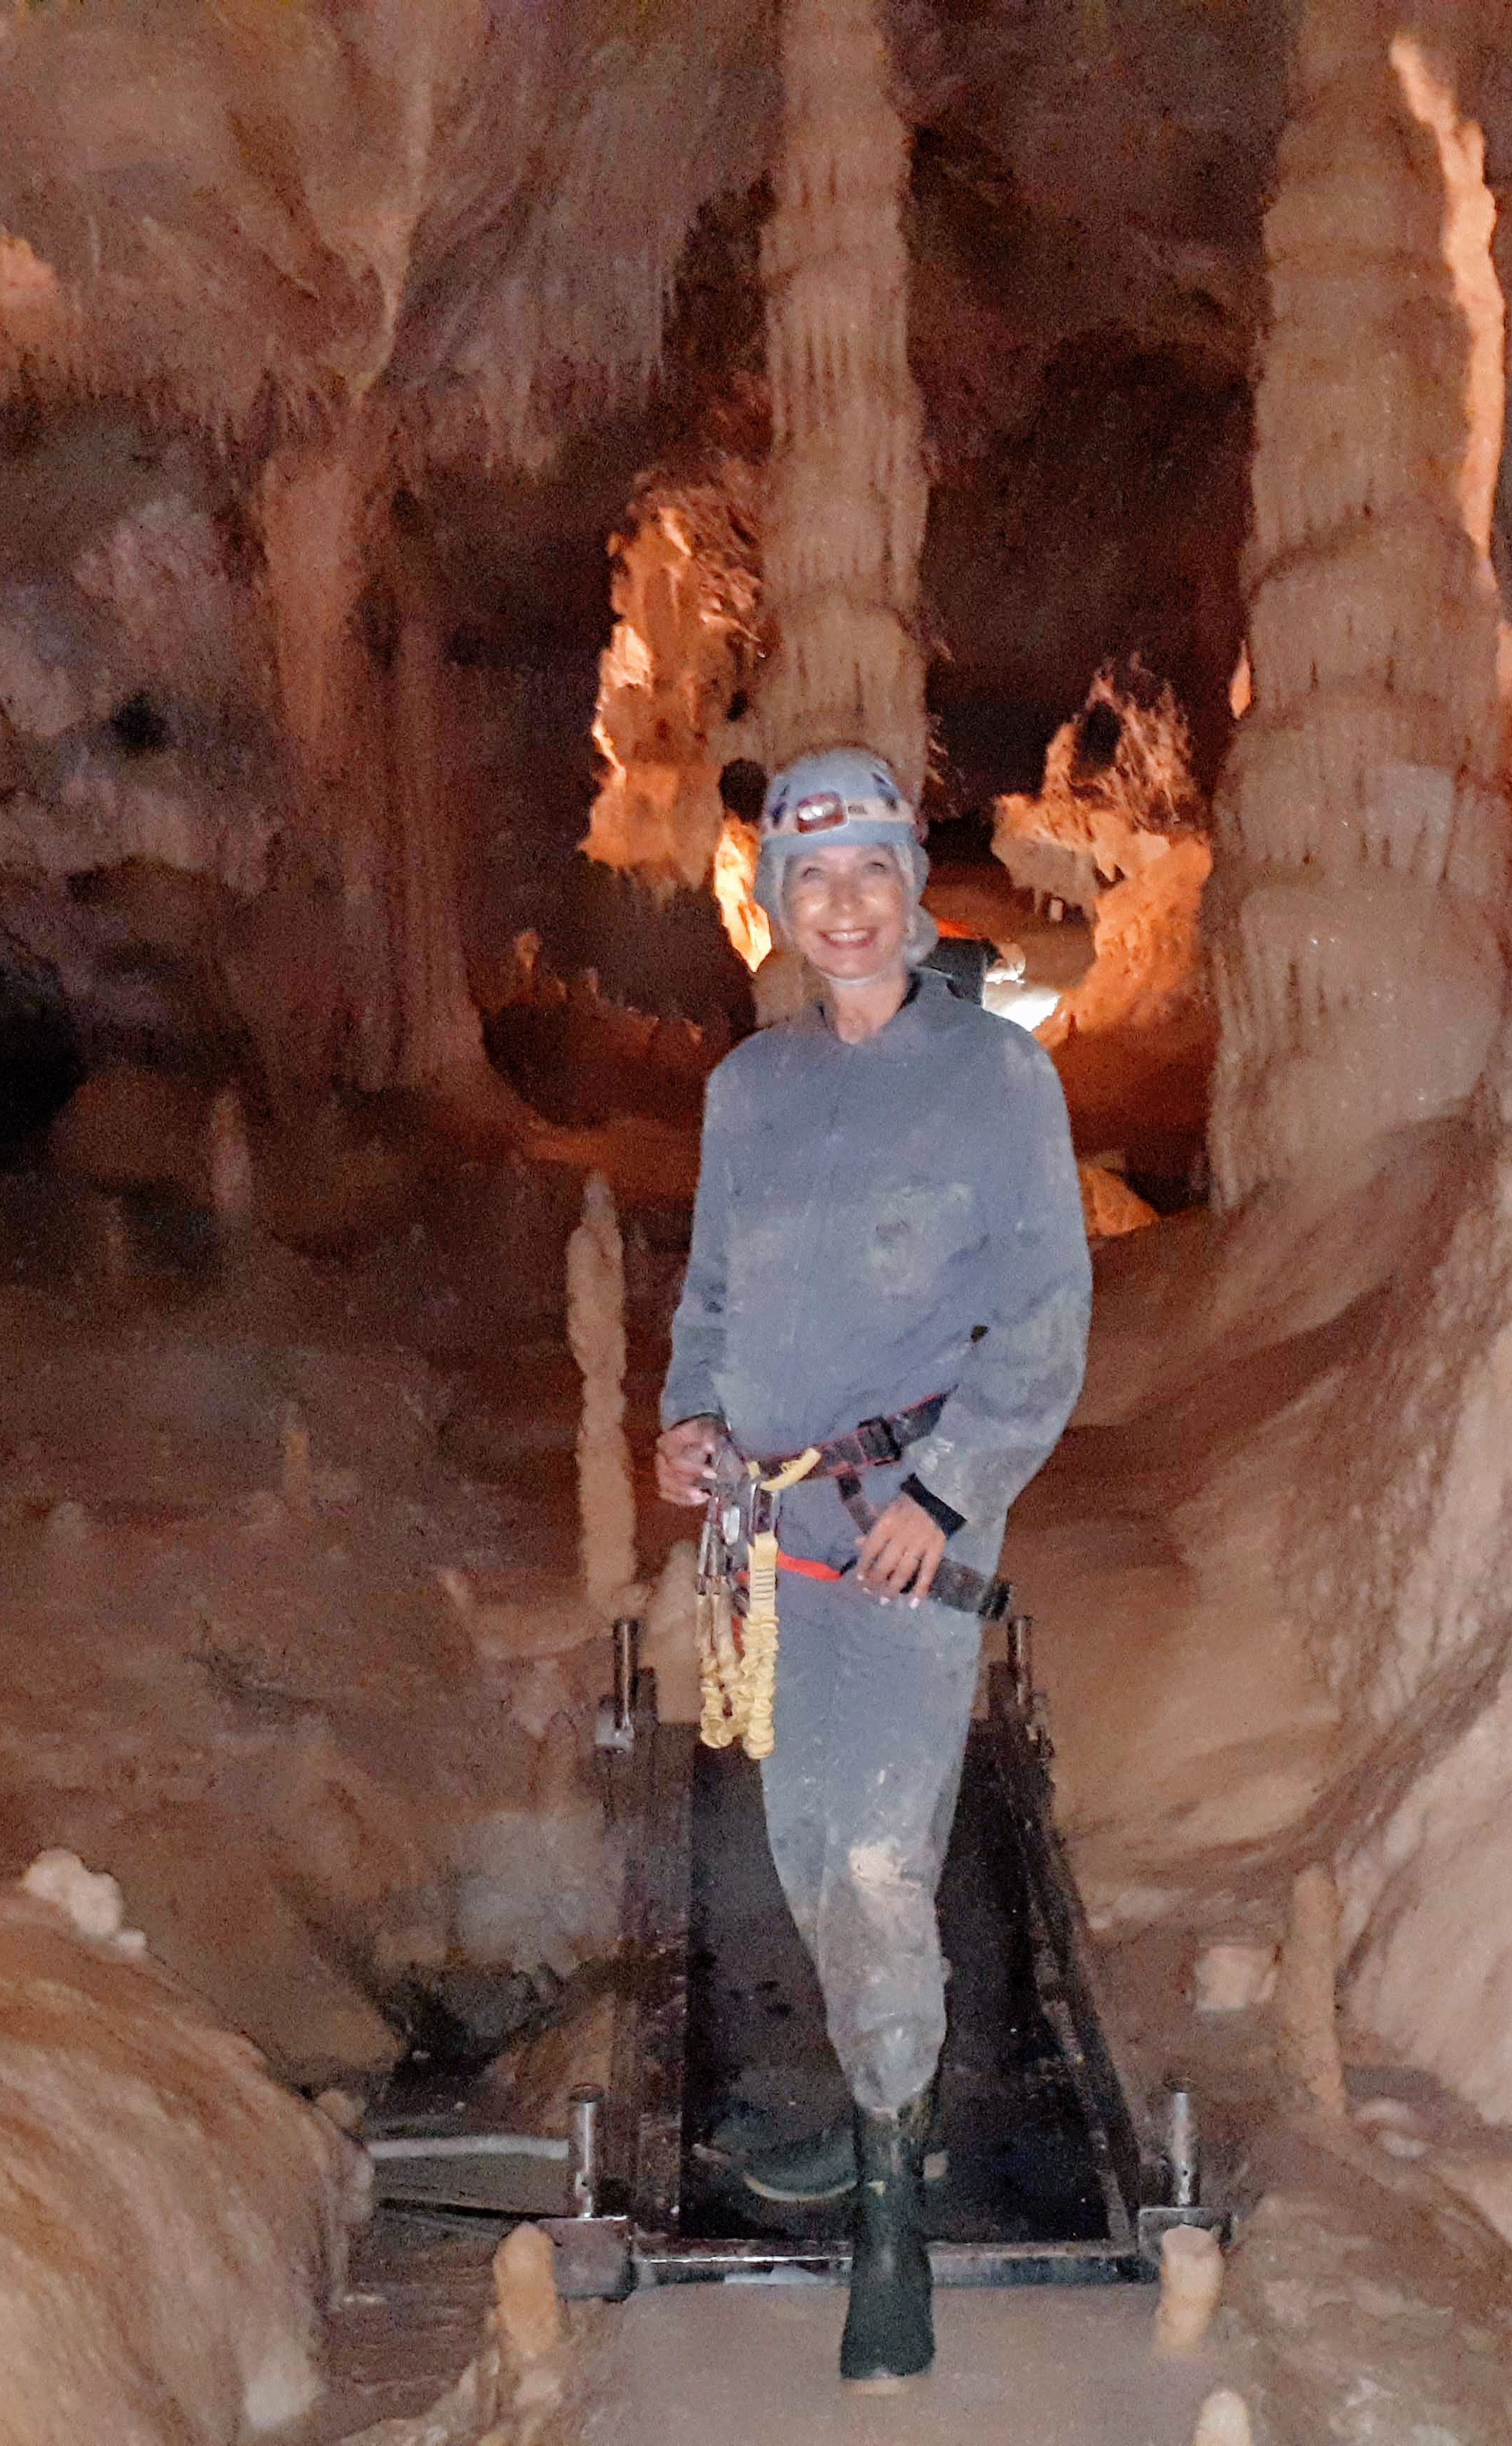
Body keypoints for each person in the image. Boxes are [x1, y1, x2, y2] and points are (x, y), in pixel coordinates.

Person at [654, 745, 1092, 2387]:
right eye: (810, 882)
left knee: (878, 1865)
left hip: (907, 1548)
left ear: (913, 892)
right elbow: (709, 1300)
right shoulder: (750, 1091)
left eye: (871, 876)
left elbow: (1045, 1322)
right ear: (779, 906)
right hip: (770, 1545)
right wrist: (688, 1423)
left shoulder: (993, 1081)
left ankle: (893, 2210)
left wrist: (951, 1491)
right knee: (803, 1841)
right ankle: (874, 2090)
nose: (842, 908)